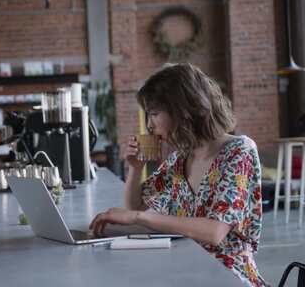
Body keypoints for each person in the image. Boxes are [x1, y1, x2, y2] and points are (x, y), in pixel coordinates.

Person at [89, 63, 269, 287]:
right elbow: (133, 208)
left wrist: (139, 218)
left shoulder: (239, 151)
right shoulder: (179, 160)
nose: (149, 125)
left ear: (183, 111)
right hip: (185, 269)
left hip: (227, 276)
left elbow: (214, 232)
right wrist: (135, 168)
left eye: (154, 114)